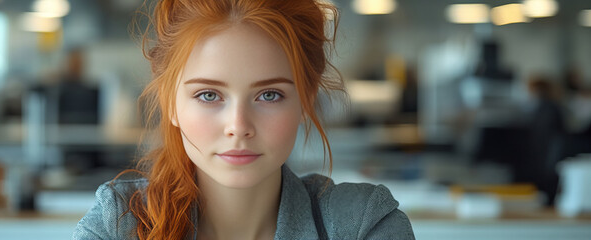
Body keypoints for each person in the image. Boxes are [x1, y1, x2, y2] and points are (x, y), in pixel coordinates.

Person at [73, 0, 414, 239]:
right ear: (170, 103)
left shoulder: (363, 225)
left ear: (305, 100)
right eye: (208, 95)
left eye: (269, 95)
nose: (238, 125)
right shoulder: (118, 224)